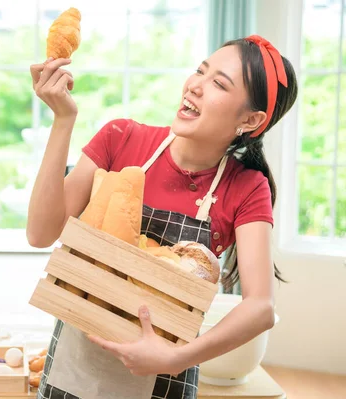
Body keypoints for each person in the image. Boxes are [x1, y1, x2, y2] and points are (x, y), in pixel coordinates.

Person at [26, 34, 298, 399]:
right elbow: (41, 234)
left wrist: (175, 358)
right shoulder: (121, 139)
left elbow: (260, 308)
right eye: (200, 72)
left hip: (165, 382)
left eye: (218, 83)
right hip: (71, 375)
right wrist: (63, 119)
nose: (196, 86)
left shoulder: (246, 188)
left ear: (251, 119)